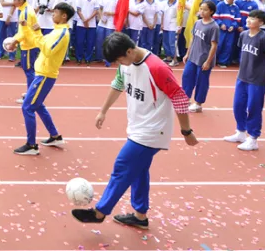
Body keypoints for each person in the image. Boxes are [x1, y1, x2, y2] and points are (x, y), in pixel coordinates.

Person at [72, 32, 198, 229]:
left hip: (153, 131)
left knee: (122, 166)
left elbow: (180, 97)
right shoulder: (126, 65)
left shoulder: (157, 67)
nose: (118, 64)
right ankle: (140, 216)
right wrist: (103, 111)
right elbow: (118, 84)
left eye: (119, 59)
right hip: (137, 126)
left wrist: (186, 132)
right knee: (139, 170)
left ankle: (100, 212)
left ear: (129, 51)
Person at [10, 2, 75, 155]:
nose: (53, 15)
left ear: (64, 16)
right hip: (41, 73)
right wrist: (32, 31)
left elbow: (48, 49)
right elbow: (40, 43)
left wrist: (36, 33)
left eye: (55, 13)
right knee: (38, 105)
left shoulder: (62, 33)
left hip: (46, 75)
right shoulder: (56, 31)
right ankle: (55, 136)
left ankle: (31, 145)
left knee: (27, 107)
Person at [223, 10, 265, 151]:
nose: (249, 20)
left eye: (253, 19)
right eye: (249, 17)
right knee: (238, 105)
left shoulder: (264, 38)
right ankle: (240, 132)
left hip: (257, 80)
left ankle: (253, 138)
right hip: (242, 77)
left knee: (253, 107)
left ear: (261, 23)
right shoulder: (243, 35)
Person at [181, 0, 220, 112]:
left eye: (205, 9)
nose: (202, 11)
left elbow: (214, 45)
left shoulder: (214, 27)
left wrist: (208, 61)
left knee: (202, 81)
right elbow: (193, 39)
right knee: (187, 77)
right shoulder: (197, 23)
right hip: (193, 56)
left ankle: (198, 103)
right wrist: (187, 53)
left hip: (203, 58)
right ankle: (185, 98)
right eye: (201, 9)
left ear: (211, 11)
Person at [7, 0, 39, 103]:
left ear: (21, 0)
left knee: (29, 70)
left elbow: (24, 32)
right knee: (28, 69)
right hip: (28, 43)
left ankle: (31, 96)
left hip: (29, 44)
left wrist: (14, 41)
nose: (14, 2)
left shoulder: (25, 12)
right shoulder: (24, 10)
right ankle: (31, 91)